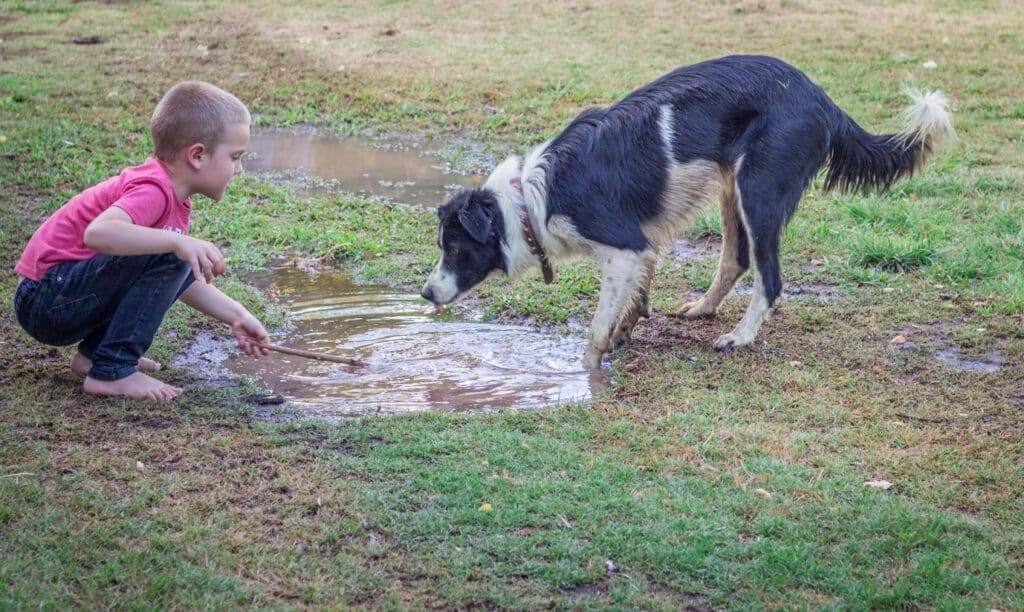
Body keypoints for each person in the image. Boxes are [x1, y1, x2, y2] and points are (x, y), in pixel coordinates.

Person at [12, 81, 270, 400]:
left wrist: (238, 315)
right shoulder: (153, 190)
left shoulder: (171, 198)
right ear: (198, 155)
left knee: (171, 253)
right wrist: (177, 244)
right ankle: (113, 370)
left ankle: (95, 356)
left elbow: (175, 278)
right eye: (235, 157)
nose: (239, 169)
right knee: (171, 250)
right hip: (47, 300)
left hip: (61, 297)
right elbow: (99, 234)